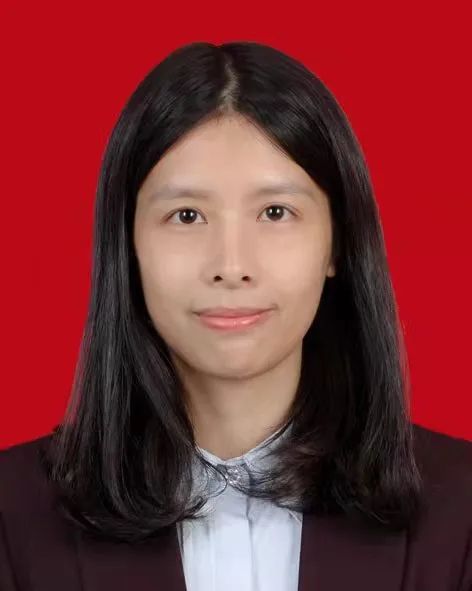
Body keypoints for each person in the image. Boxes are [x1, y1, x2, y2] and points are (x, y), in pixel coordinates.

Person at [1, 40, 471, 591]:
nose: (231, 266)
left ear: (337, 244)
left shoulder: (461, 513)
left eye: (275, 212)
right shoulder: (12, 519)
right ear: (127, 248)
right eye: (186, 215)